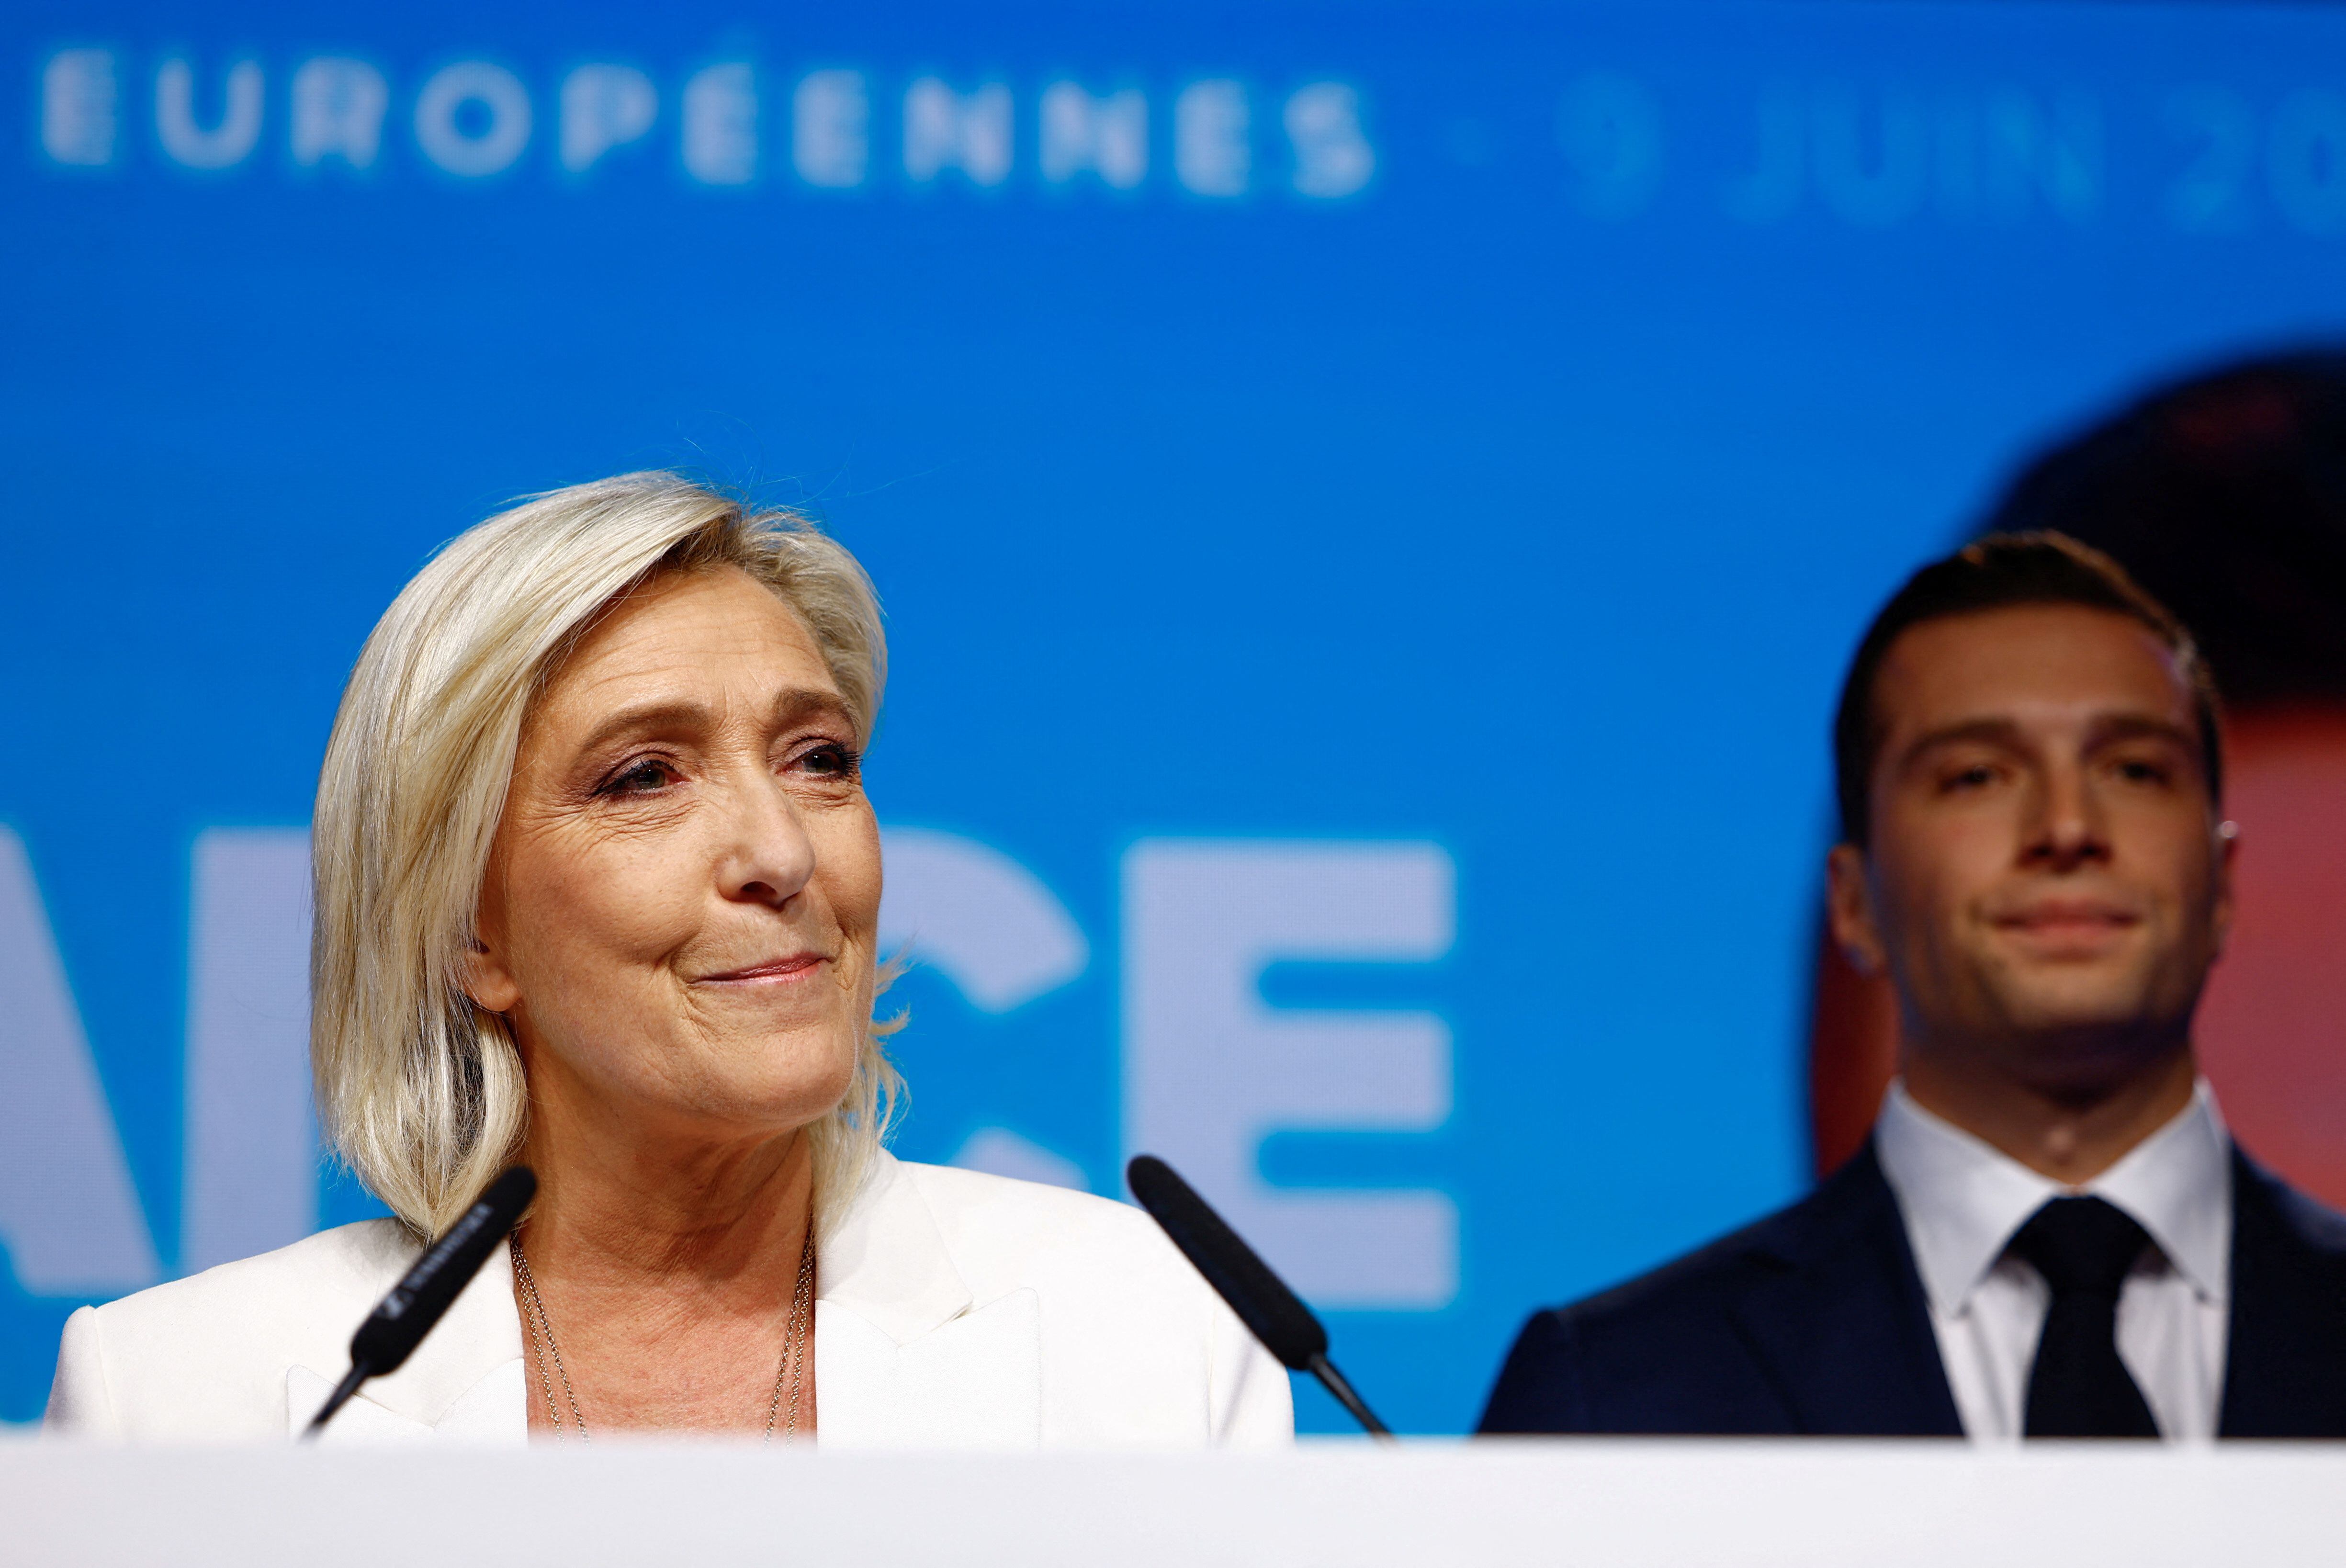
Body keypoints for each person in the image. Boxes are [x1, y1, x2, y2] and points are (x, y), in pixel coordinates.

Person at [46, 473, 1291, 1447]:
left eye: (818, 759)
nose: (779, 853)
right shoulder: (183, 1400)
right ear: (472, 930)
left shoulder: (1144, 1331)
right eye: (644, 775)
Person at [1479, 533, 2346, 1439]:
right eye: (1977, 776)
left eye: (2134, 769)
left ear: (2224, 881)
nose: (2066, 826)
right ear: (1854, 903)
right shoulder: (1617, 1397)